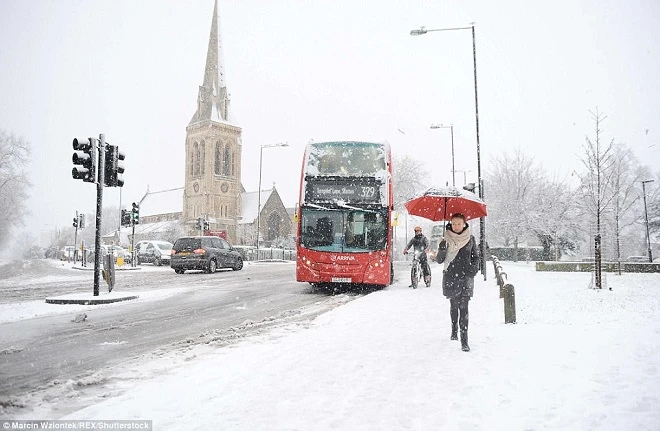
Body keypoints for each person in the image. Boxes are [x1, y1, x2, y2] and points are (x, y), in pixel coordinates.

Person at [435, 213, 480, 352]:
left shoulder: (470, 239)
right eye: (453, 223)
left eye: (459, 223)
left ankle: (464, 340)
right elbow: (439, 260)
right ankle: (454, 328)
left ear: (464, 224)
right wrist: (442, 249)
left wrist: (473, 270)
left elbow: (476, 258)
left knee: (464, 308)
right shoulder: (445, 239)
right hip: (451, 276)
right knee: (454, 306)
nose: (456, 226)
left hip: (466, 277)